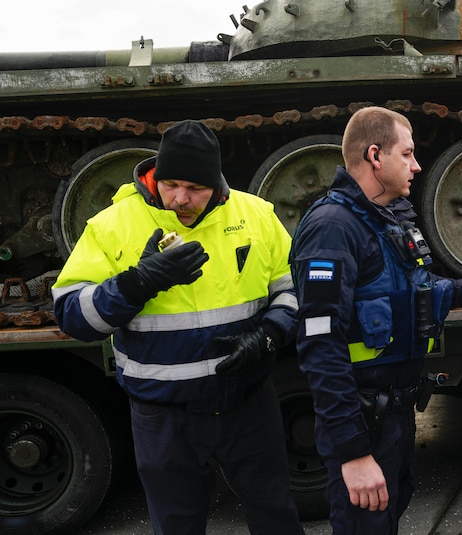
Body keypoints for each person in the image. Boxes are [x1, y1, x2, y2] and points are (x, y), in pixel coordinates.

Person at [52, 120, 306, 535]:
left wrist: (269, 334)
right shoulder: (111, 226)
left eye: (195, 188)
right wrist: (137, 283)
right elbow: (73, 318)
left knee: (276, 513)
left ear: (217, 183)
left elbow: (294, 289)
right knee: (176, 525)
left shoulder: (256, 215)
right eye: (170, 184)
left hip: (246, 401)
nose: (180, 200)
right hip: (163, 415)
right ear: (156, 175)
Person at [289, 106, 462, 535]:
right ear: (376, 155)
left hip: (393, 417)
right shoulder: (333, 228)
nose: (417, 166)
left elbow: (408, 295)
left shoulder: (386, 219)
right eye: (409, 154)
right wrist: (354, 454)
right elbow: (320, 346)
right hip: (364, 422)